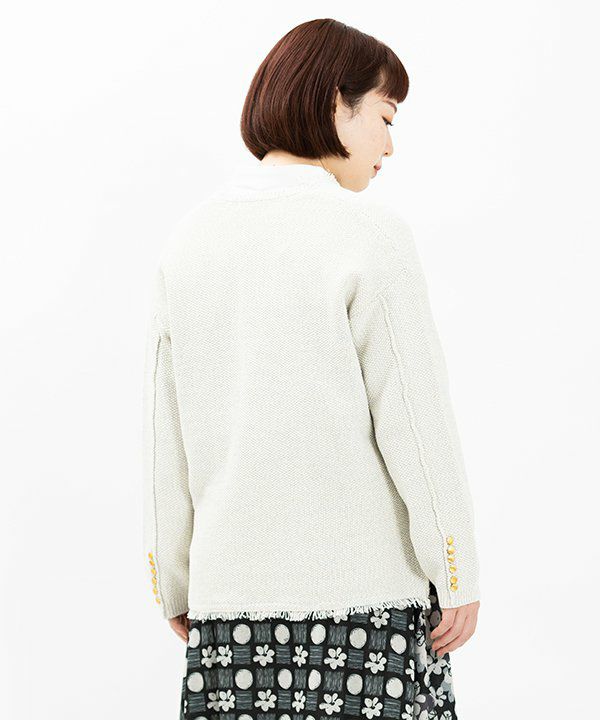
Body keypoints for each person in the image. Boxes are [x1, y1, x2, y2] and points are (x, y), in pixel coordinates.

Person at [142, 17, 481, 720]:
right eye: (385, 117)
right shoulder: (370, 236)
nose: (390, 145)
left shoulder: (189, 243)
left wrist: (173, 581)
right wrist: (455, 567)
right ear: (335, 103)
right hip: (367, 611)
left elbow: (164, 439)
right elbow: (416, 423)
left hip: (230, 616)